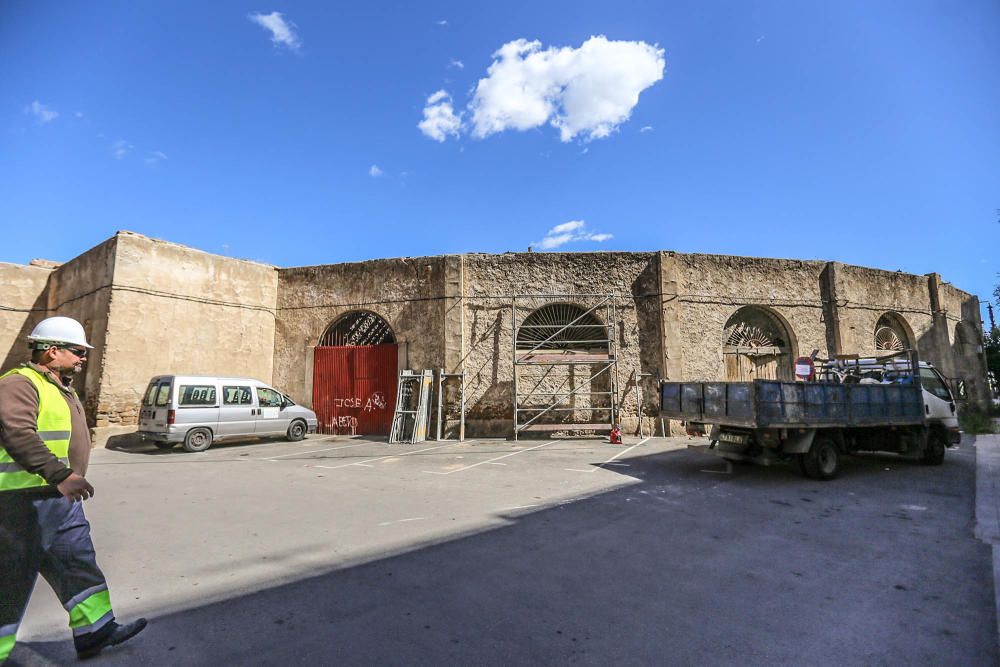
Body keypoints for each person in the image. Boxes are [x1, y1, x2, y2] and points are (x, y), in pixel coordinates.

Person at [0, 316, 146, 662]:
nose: (83, 358)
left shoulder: (58, 386)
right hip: (20, 502)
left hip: (58, 500)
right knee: (9, 581)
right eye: (78, 351)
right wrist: (60, 474)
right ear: (52, 351)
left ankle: (95, 630)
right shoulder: (18, 384)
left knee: (77, 564)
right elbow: (18, 434)